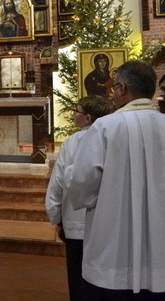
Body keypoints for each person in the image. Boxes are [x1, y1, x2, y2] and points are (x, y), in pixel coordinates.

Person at [65, 60, 165, 298]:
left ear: (121, 88)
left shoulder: (105, 127)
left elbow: (82, 181)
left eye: (114, 88)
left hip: (112, 243)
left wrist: (69, 174)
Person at [45, 96, 114, 301]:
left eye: (77, 110)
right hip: (106, 222)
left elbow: (58, 182)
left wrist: (56, 217)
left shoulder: (72, 142)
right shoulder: (113, 138)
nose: (74, 114)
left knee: (78, 277)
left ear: (87, 118)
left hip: (75, 222)